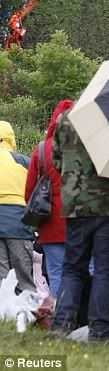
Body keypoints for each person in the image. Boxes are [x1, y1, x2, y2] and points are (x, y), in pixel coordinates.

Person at [50, 108, 109, 341]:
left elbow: (56, 159)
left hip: (76, 205)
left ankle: (60, 325)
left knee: (72, 267)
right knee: (105, 269)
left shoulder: (67, 117)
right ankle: (99, 329)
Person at [25, 101, 73, 298]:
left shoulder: (42, 149)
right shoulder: (85, 147)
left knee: (56, 273)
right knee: (86, 270)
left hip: (51, 222)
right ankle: (85, 318)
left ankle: (61, 319)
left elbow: (29, 192)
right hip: (82, 218)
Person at [0, 121, 35, 292]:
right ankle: (27, 316)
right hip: (18, 223)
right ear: (11, 138)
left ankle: (5, 316)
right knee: (24, 278)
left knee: (2, 279)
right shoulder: (23, 161)